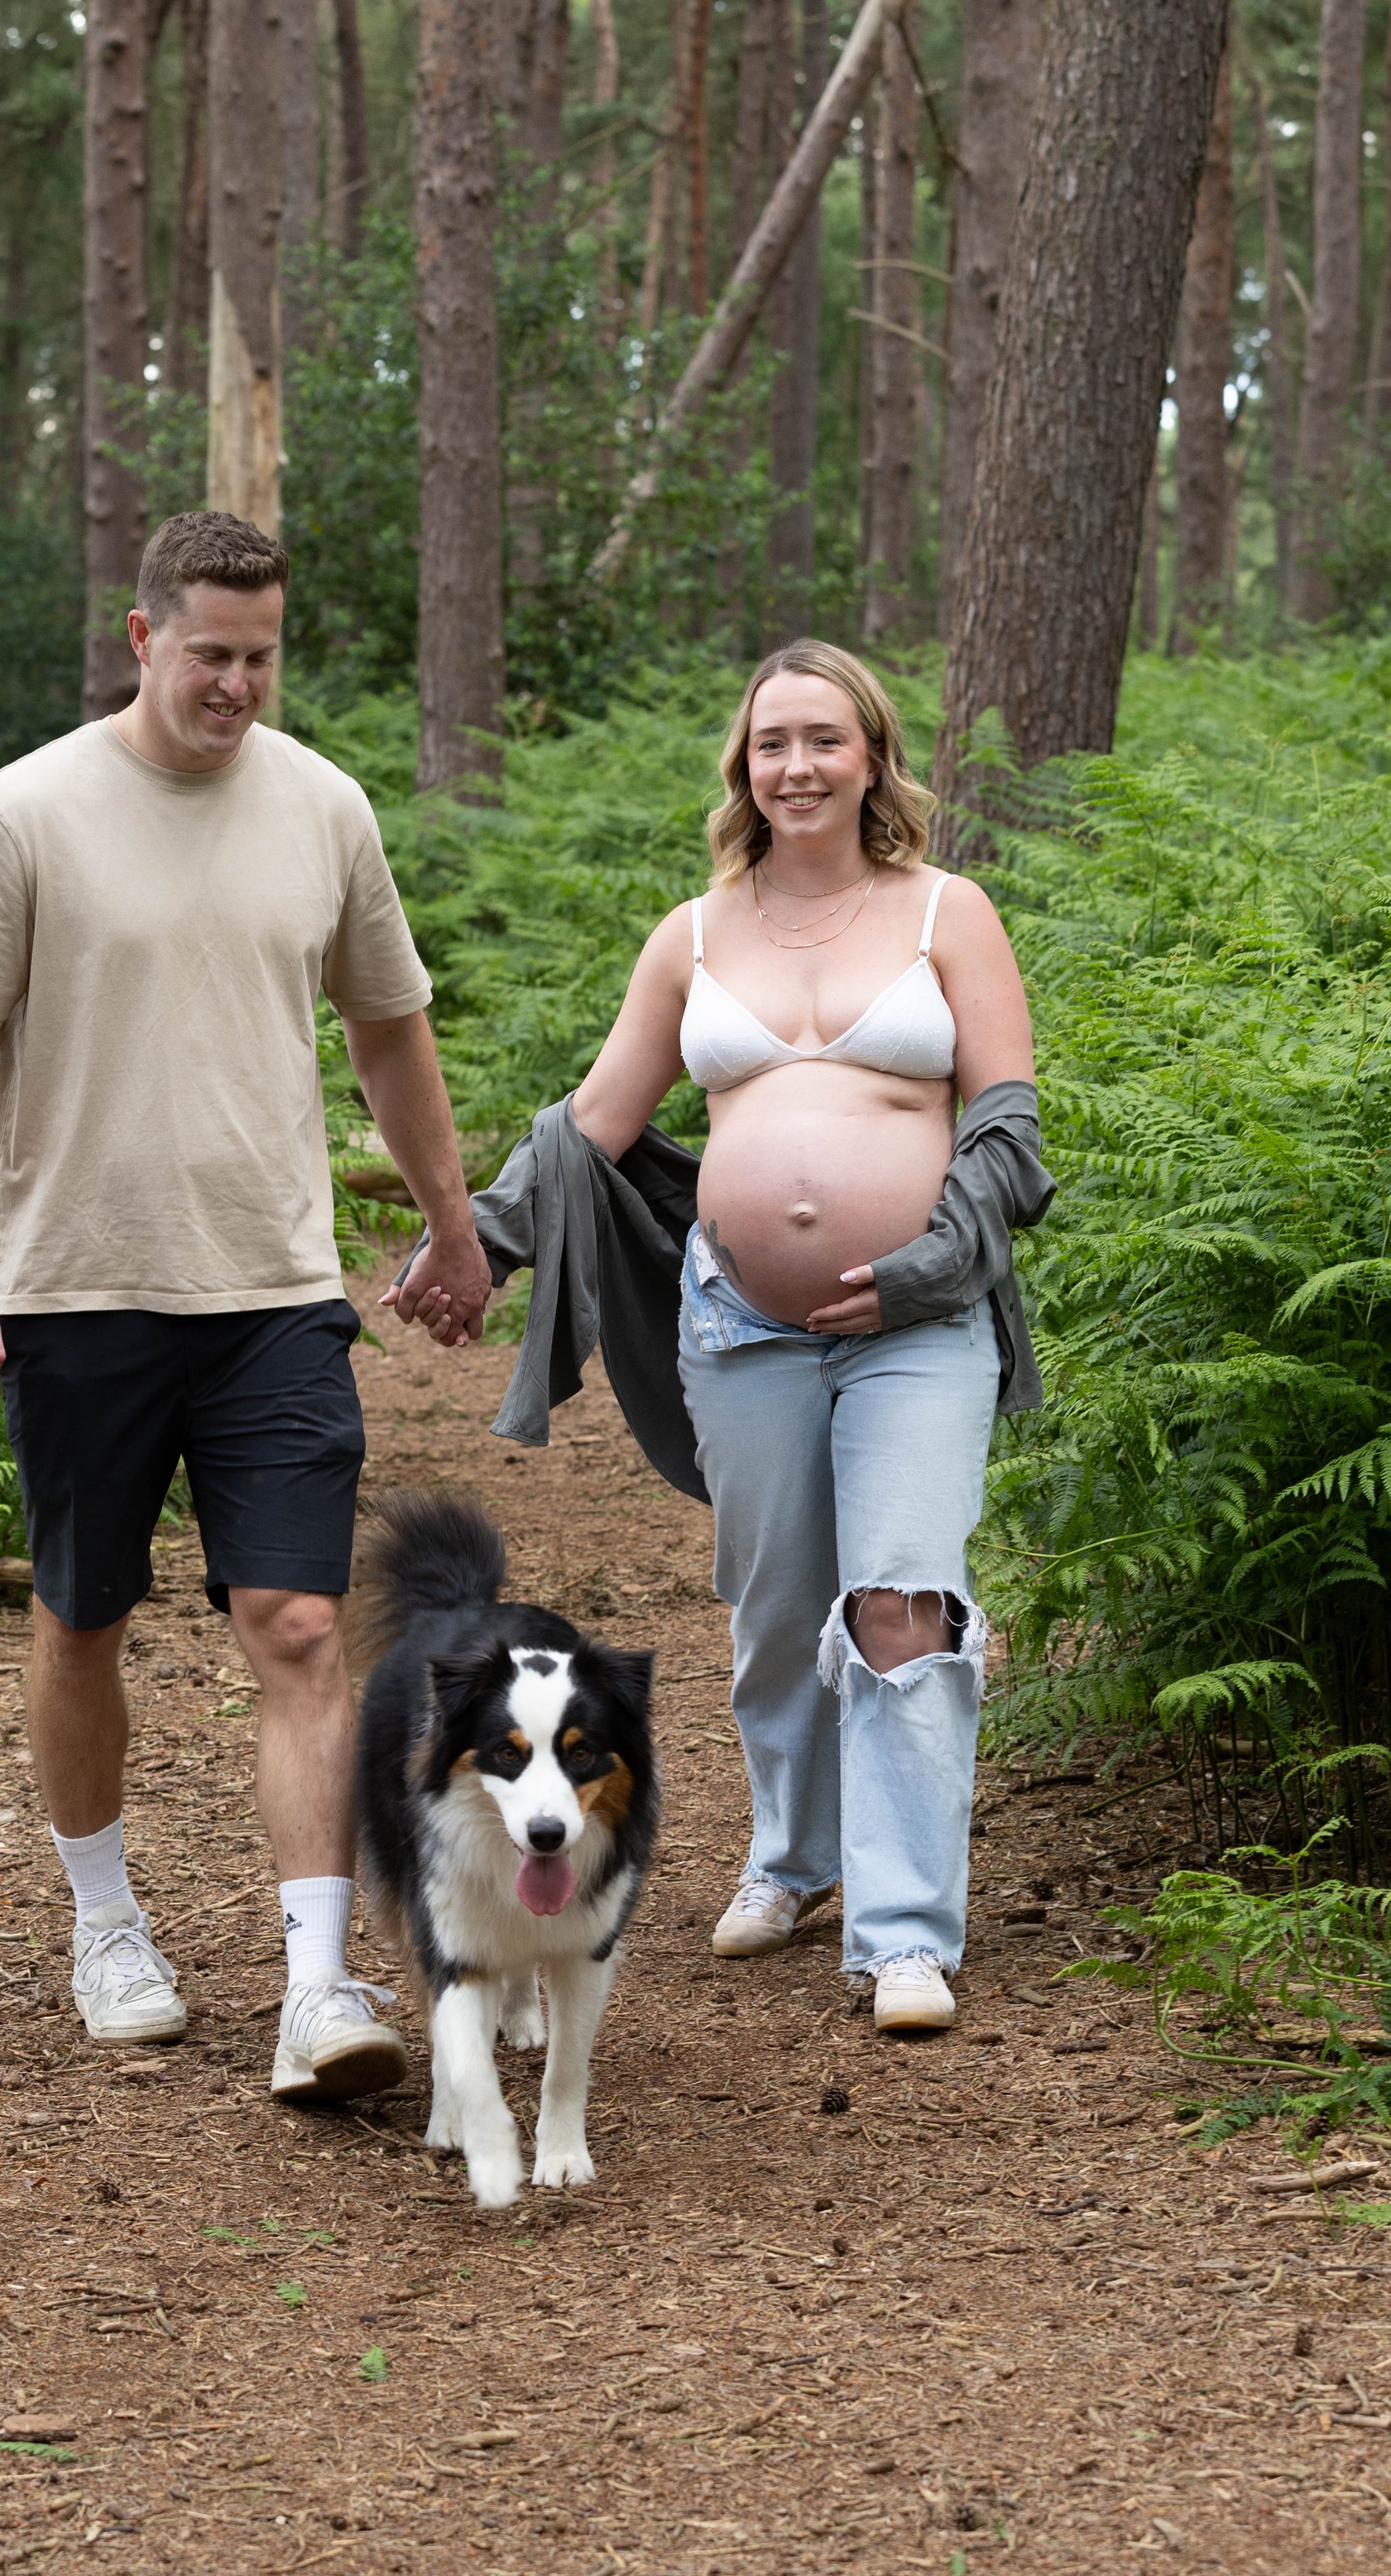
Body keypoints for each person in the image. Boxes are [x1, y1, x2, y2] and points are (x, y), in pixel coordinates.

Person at [0, 510, 492, 2102]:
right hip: (78, 1289)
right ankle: (107, 1925)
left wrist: (452, 1222)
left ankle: (317, 1986)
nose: (236, 684)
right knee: (84, 1615)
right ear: (144, 637)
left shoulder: (324, 808)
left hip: (275, 1290)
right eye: (210, 653)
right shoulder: (27, 813)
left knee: (295, 1625)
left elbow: (389, 1027)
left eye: (261, 656)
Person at [422, 639, 1041, 2035]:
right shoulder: (695, 934)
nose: (799, 766)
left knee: (902, 1602)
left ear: (873, 756)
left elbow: (1006, 1122)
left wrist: (933, 1258)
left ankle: (902, 1933)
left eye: (826, 739)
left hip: (920, 1321)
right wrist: (476, 1246)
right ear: (743, 768)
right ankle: (793, 1855)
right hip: (742, 1325)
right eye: (773, 744)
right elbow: (594, 1127)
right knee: (775, 1615)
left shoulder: (950, 912)